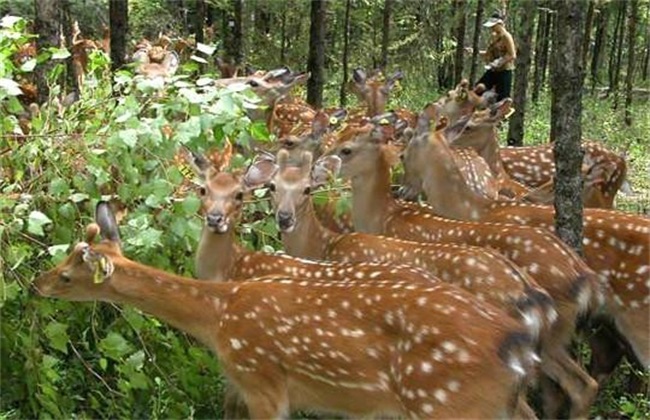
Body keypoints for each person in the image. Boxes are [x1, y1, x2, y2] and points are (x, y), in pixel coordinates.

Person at [476, 12, 516, 102]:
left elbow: (512, 54)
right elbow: (488, 53)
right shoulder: (494, 37)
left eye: (494, 25)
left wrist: (499, 62)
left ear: (500, 24)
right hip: (493, 70)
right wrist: (475, 52)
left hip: (504, 71)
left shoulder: (506, 37)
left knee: (503, 100)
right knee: (478, 88)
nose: (492, 28)